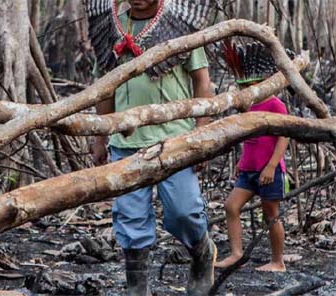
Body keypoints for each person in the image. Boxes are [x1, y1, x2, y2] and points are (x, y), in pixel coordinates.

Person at [85, 0, 216, 295]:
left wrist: (202, 134)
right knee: (130, 219)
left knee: (183, 212)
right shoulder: (111, 25)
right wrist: (100, 138)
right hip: (125, 142)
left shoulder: (181, 25)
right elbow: (106, 86)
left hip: (175, 139)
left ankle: (202, 254)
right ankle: (137, 287)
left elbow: (202, 83)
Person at [216, 41, 290, 272]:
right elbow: (249, 142)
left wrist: (271, 166)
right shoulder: (247, 107)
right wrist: (242, 162)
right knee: (231, 206)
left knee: (271, 213)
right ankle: (237, 254)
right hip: (248, 170)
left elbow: (284, 137)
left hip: (270, 170)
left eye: (250, 86)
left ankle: (278, 262)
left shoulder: (275, 105)